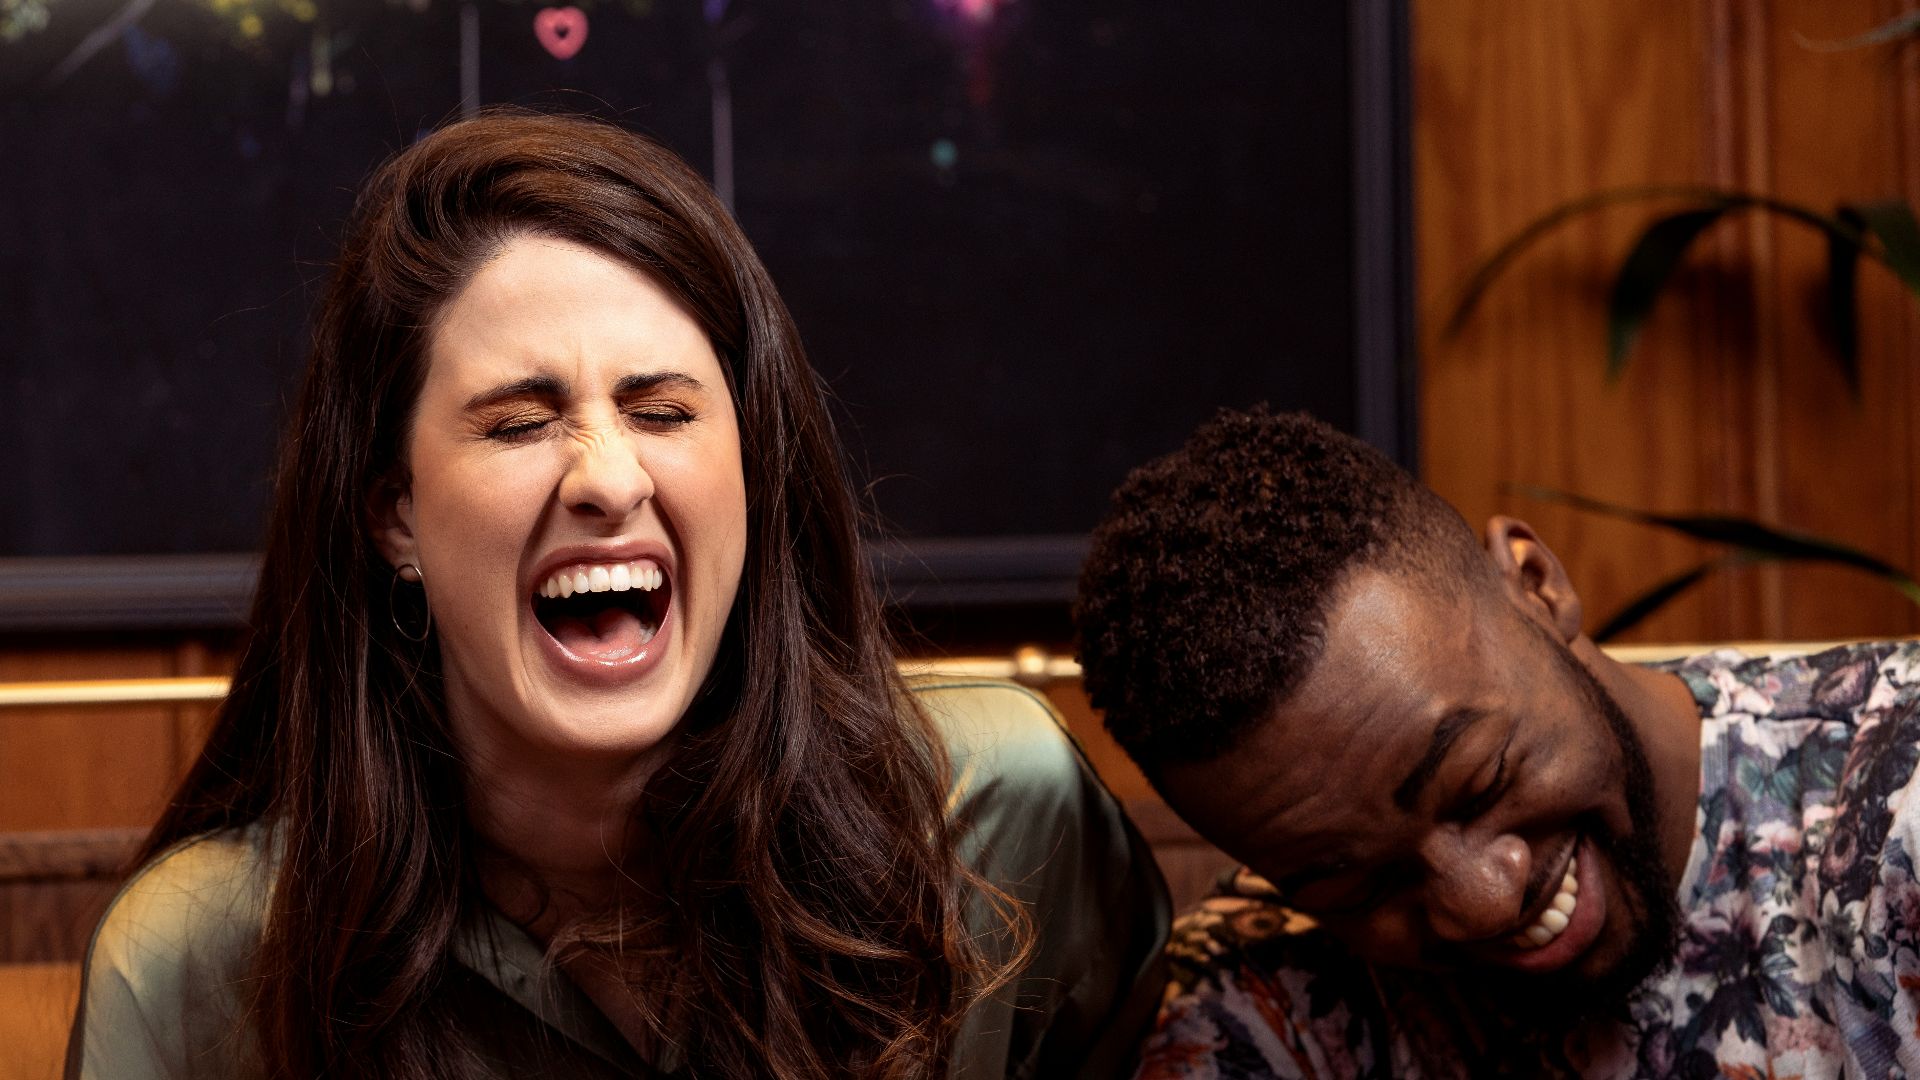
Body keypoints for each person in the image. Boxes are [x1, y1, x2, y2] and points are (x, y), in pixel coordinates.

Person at [67, 110, 1169, 1080]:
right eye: (519, 421)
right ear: (394, 514)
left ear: (753, 473)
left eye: (662, 411)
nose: (606, 476)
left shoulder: (997, 808)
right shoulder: (195, 964)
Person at [1074, 406, 1920, 1079]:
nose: (1485, 901)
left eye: (1479, 781)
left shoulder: (1895, 806)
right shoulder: (1267, 1001)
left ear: (1536, 586)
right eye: (1364, 884)